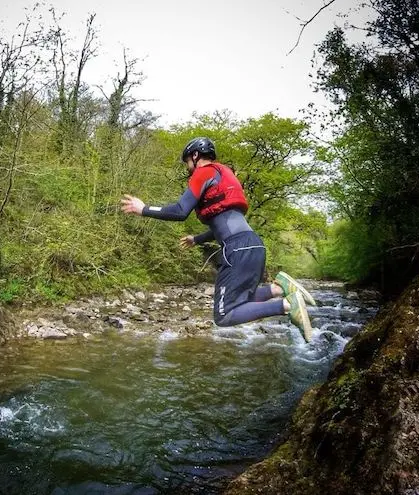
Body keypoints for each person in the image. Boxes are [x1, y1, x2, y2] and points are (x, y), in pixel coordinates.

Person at [120, 136, 317, 342]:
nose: (188, 167)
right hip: (254, 244)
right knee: (242, 300)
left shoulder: (203, 172)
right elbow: (223, 225)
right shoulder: (224, 175)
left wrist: (144, 209)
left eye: (187, 161)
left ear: (195, 156)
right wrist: (196, 239)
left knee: (224, 316)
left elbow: (180, 211)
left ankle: (286, 304)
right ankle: (278, 288)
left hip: (236, 249)